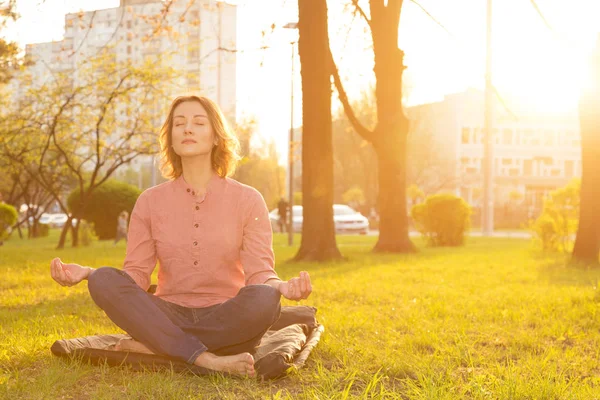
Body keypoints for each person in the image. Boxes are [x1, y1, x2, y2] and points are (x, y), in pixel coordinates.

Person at [50, 95, 312, 378]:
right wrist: (89, 274)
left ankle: (158, 345)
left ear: (215, 137)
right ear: (171, 139)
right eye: (179, 123)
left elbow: (260, 272)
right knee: (103, 279)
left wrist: (281, 287)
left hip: (226, 316)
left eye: (199, 122)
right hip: (167, 313)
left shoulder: (248, 200)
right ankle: (206, 358)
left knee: (265, 298)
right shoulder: (150, 201)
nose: (187, 129)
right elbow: (136, 275)